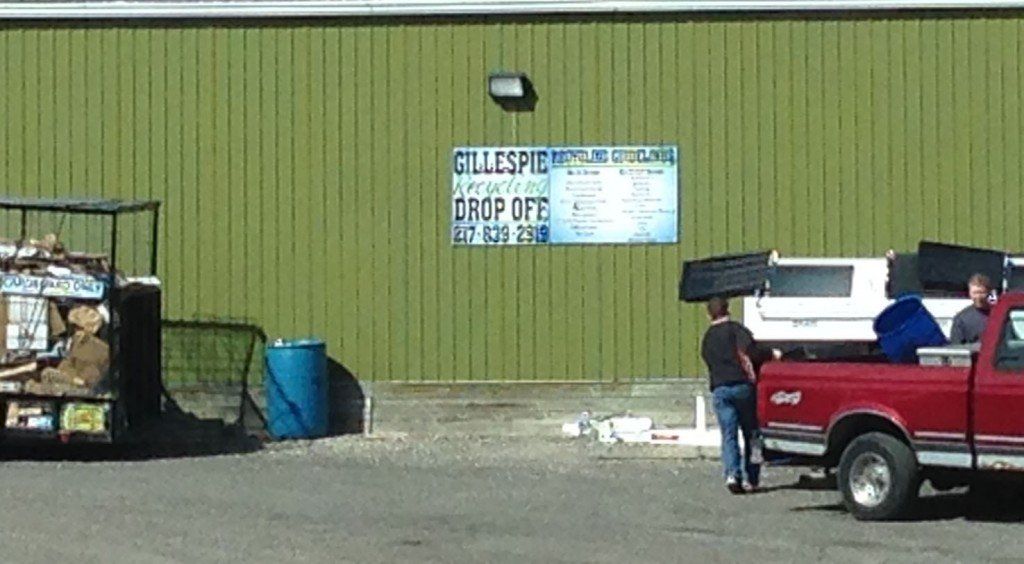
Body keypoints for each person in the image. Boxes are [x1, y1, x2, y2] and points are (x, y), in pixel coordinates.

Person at [700, 297, 769, 494]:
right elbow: (752, 351)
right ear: (727, 310)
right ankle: (752, 478)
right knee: (752, 433)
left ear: (709, 314)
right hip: (742, 386)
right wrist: (773, 353)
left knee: (728, 434)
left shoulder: (708, 338)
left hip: (720, 388)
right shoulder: (736, 330)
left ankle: (732, 474)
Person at [950, 273, 994, 345]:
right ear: (969, 293)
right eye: (975, 293)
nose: (978, 297)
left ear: (989, 293)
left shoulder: (999, 314)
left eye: (982, 293)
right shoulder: (961, 319)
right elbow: (956, 347)